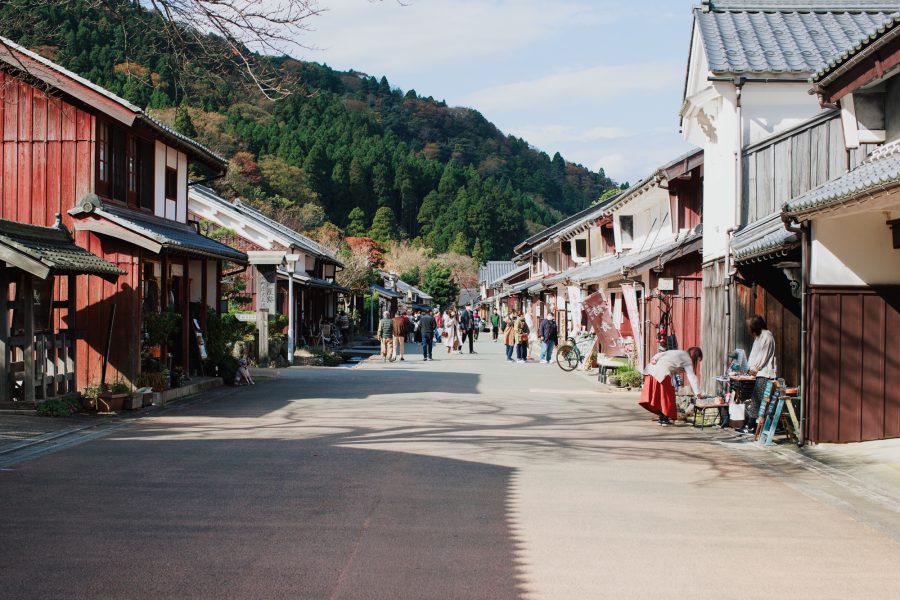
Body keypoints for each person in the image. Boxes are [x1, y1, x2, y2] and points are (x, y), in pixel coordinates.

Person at [640, 347, 704, 426]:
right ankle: (664, 420)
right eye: (697, 359)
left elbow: (660, 354)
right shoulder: (688, 360)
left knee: (658, 397)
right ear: (695, 356)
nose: (697, 362)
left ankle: (662, 419)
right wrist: (698, 393)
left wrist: (654, 359)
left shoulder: (679, 352)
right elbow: (691, 377)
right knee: (667, 397)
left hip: (651, 371)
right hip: (662, 373)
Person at [737, 315, 777, 435]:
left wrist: (754, 368)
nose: (749, 329)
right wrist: (748, 368)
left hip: (765, 373)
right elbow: (754, 355)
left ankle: (751, 426)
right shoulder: (758, 337)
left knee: (757, 400)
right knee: (755, 399)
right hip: (759, 372)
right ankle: (751, 425)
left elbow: (762, 356)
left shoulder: (767, 336)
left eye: (750, 326)